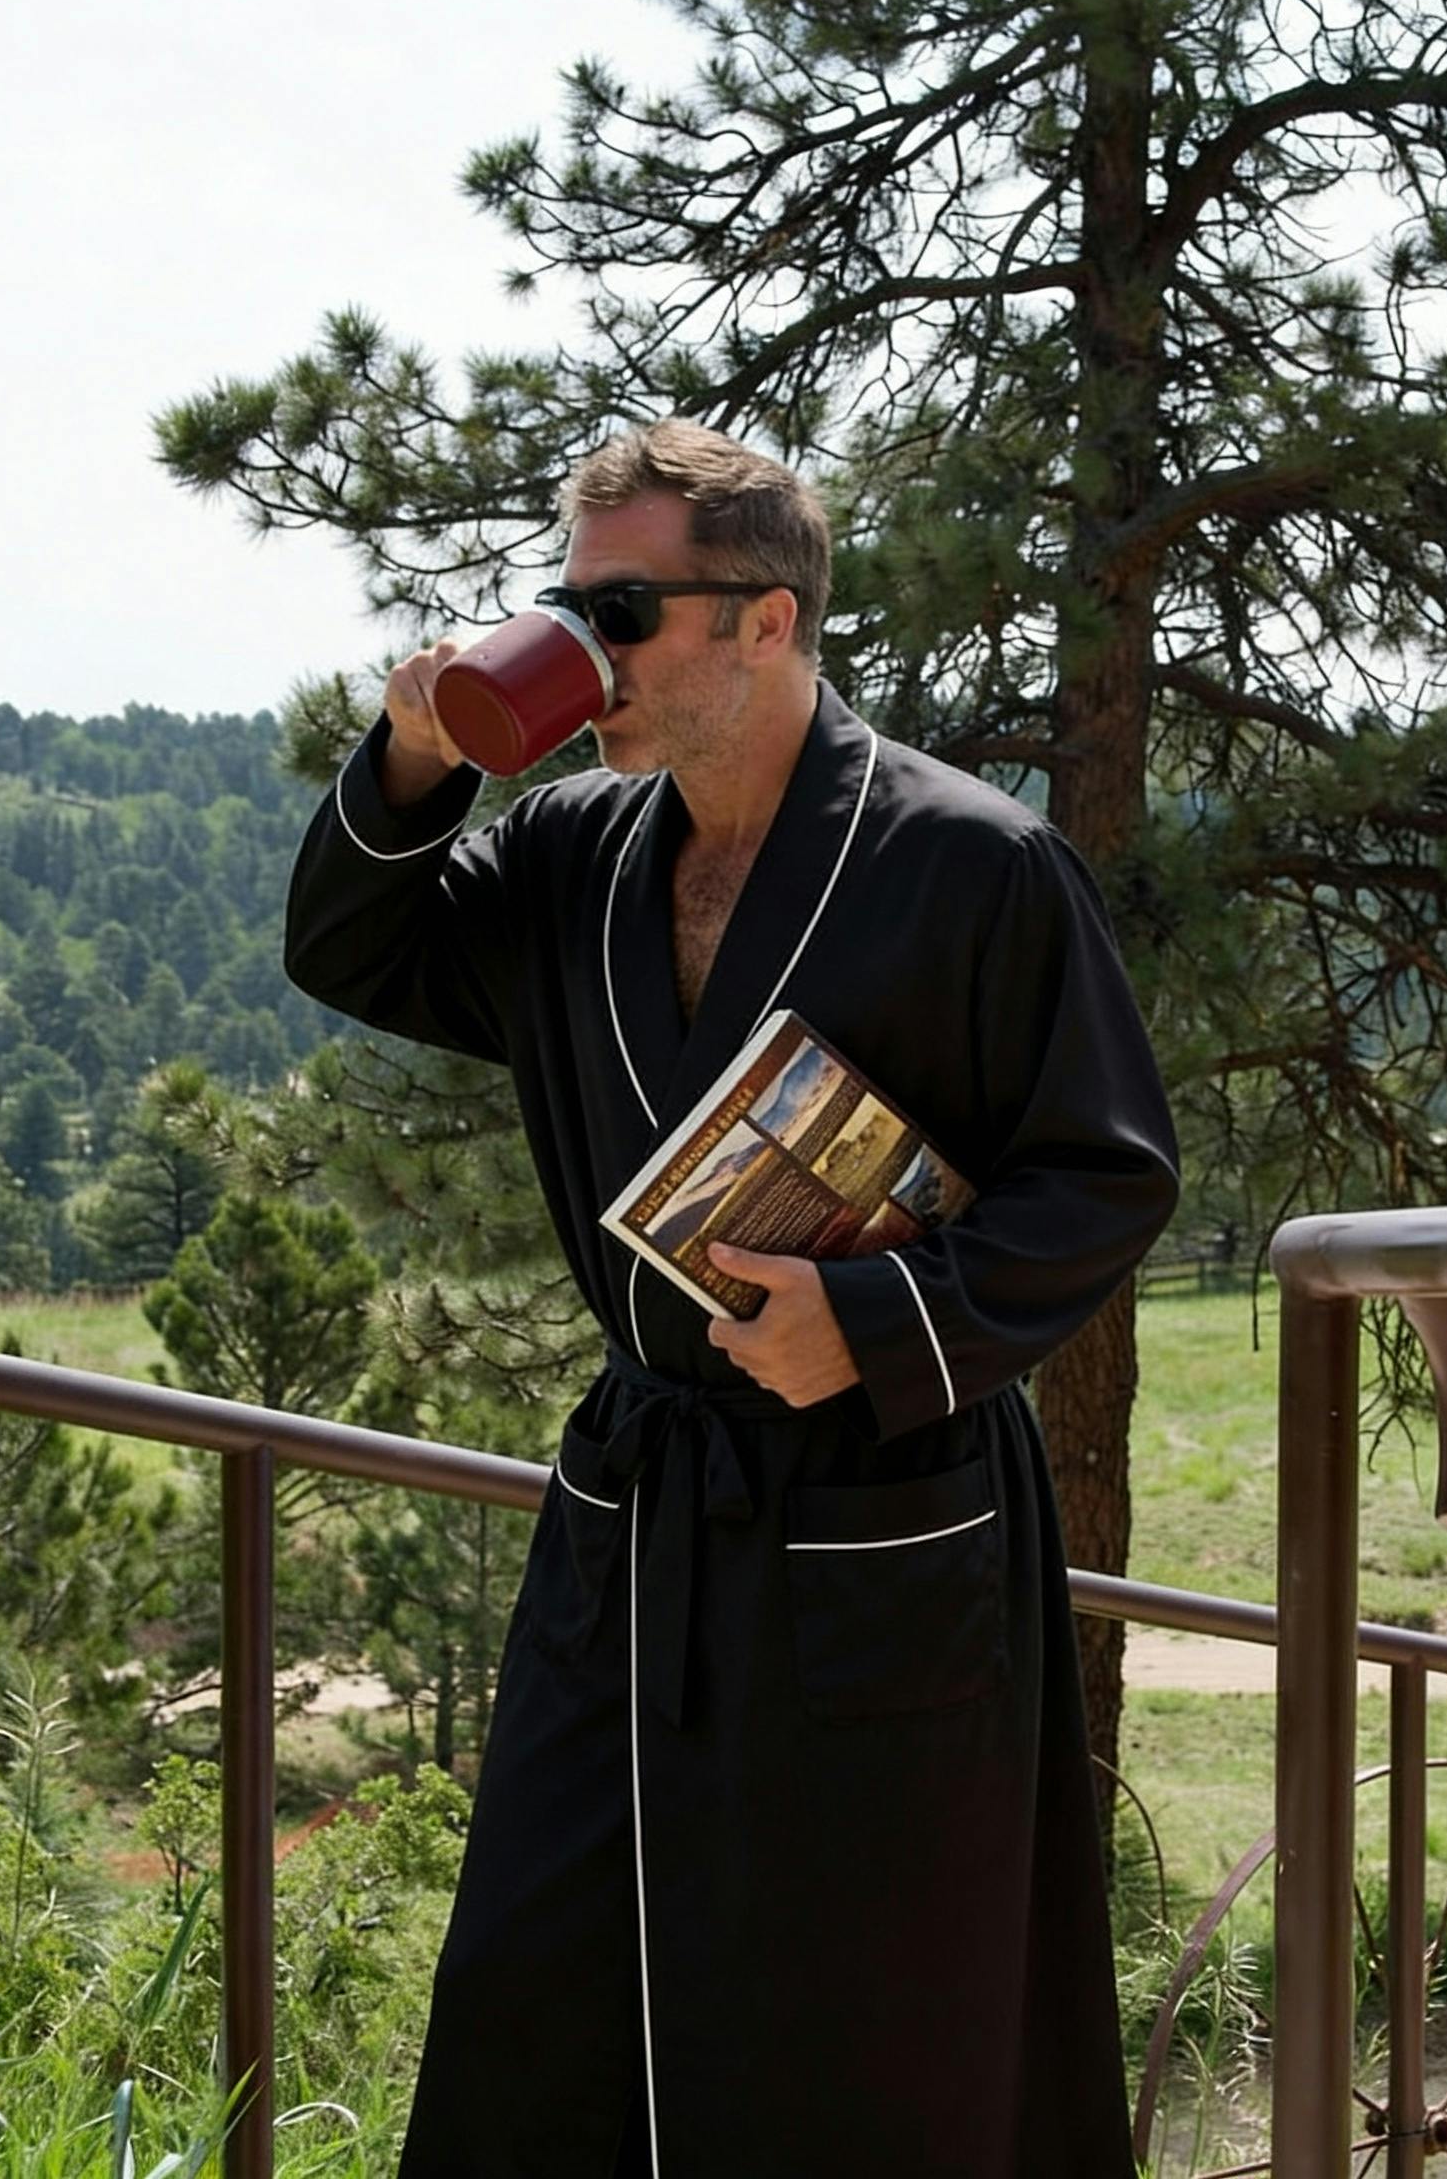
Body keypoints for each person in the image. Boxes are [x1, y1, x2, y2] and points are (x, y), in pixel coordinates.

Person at [283, 418, 1180, 2178]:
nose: (583, 648)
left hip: (883, 1515)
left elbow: (1109, 1173)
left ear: (766, 621)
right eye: (565, 606)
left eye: (619, 612)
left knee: (863, 2035)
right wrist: (413, 752)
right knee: (553, 1994)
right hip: (638, 1516)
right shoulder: (569, 857)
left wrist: (881, 1321)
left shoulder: (972, 864)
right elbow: (350, 946)